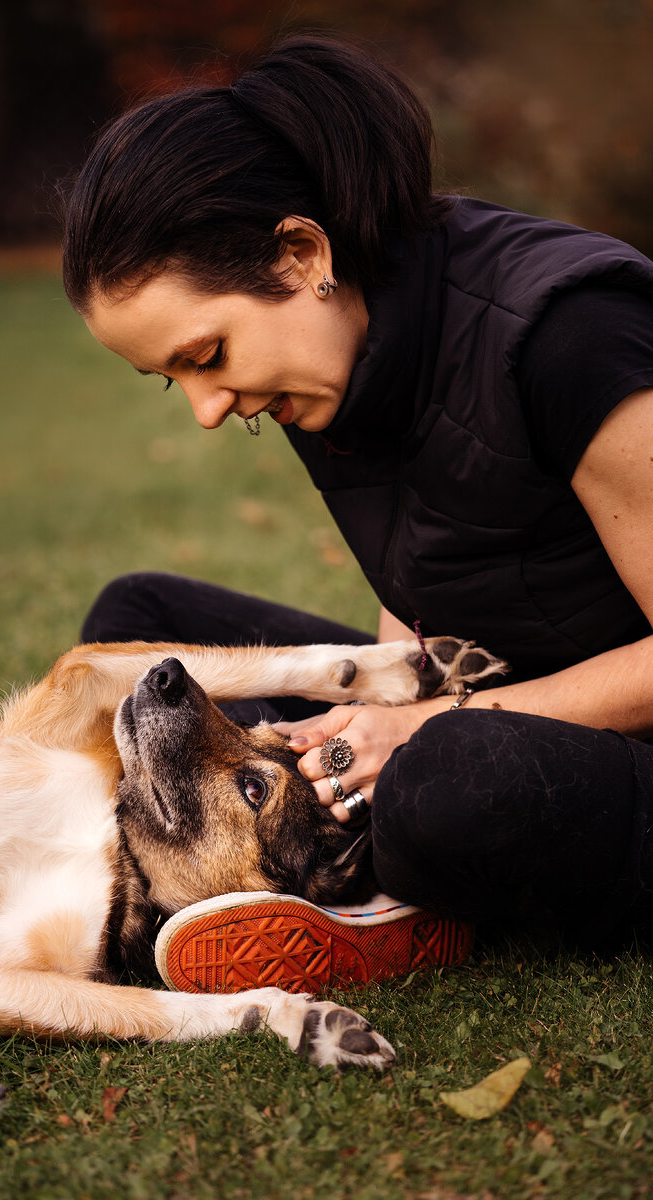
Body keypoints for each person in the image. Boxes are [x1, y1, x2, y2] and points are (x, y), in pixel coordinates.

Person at [61, 35, 653, 988]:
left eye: (207, 355)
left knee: (445, 792)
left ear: (301, 255)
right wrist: (362, 719)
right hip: (478, 704)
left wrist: (422, 731)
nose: (212, 407)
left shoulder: (569, 334)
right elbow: (425, 580)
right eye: (174, 381)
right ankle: (319, 873)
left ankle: (365, 884)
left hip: (598, 749)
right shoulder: (324, 354)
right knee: (140, 630)